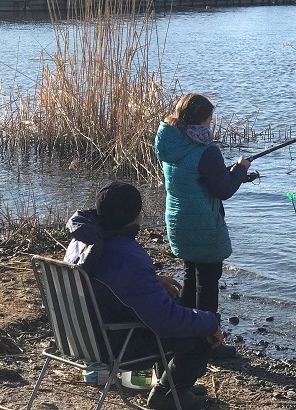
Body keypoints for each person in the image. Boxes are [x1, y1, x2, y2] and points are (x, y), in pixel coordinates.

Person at [64, 180, 223, 410]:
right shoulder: (126, 255)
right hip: (113, 344)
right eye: (140, 209)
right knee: (200, 334)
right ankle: (168, 395)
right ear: (133, 216)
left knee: (168, 302)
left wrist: (152, 282)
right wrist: (210, 321)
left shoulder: (82, 241)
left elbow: (105, 280)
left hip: (78, 336)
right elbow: (166, 322)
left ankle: (173, 385)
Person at [155, 93, 251, 359]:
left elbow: (200, 178)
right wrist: (241, 169)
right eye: (210, 118)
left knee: (190, 274)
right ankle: (210, 344)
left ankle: (185, 336)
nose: (211, 123)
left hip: (178, 220)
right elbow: (223, 190)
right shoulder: (206, 150)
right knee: (207, 283)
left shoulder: (171, 143)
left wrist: (229, 172)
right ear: (202, 120)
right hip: (204, 224)